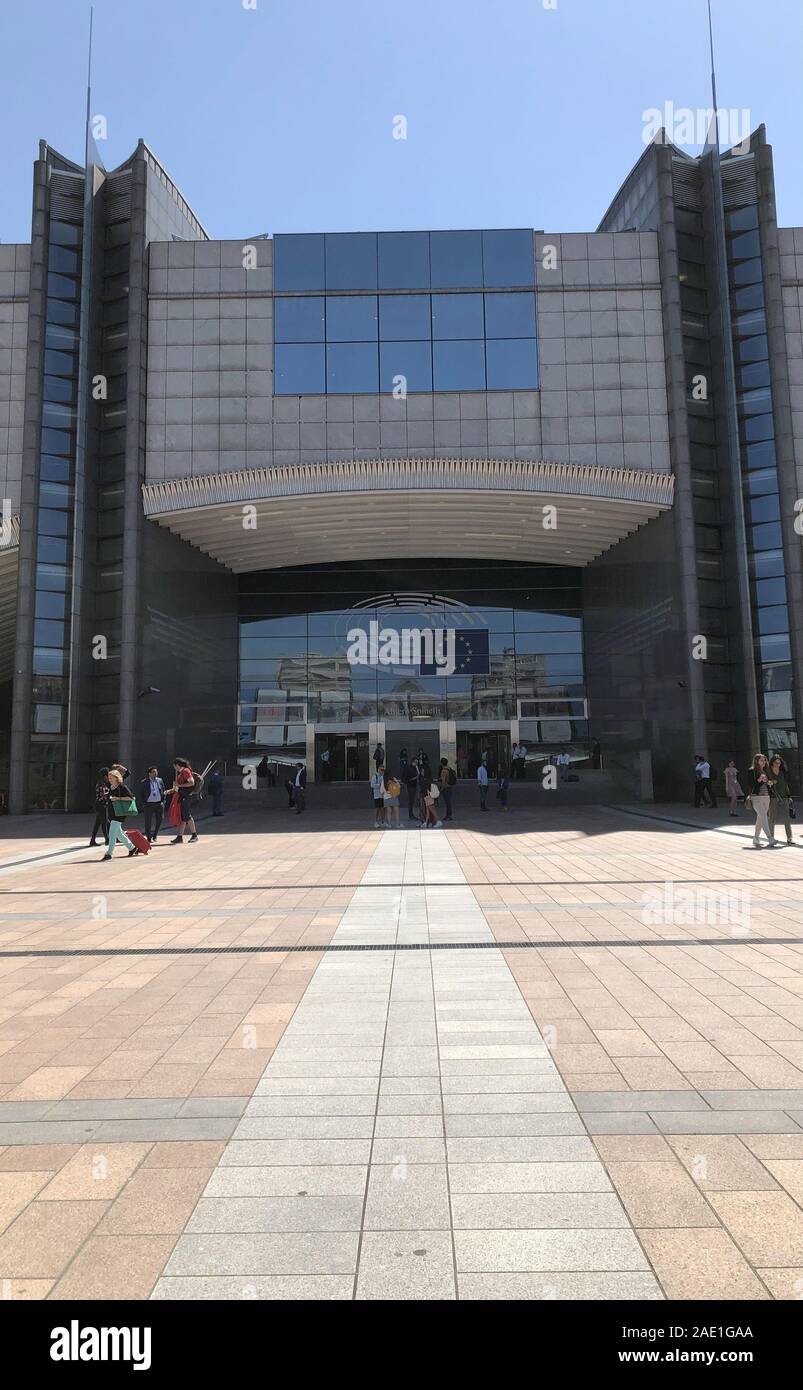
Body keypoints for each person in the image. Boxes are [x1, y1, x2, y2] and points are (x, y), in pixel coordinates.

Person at [102, 768, 138, 860]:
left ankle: (109, 853)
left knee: (112, 833)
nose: (109, 780)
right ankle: (132, 848)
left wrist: (117, 798)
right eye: (109, 778)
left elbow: (131, 798)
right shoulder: (111, 787)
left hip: (120, 813)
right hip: (112, 813)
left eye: (111, 778)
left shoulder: (122, 787)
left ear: (117, 778)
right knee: (119, 833)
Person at [748, 753, 777, 848]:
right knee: (764, 816)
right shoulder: (752, 771)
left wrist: (770, 783)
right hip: (756, 797)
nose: (764, 762)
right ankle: (770, 838)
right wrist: (759, 779)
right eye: (761, 760)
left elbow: (768, 783)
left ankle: (756, 838)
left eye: (764, 760)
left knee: (760, 818)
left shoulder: (765, 770)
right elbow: (751, 785)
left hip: (766, 797)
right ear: (756, 761)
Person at [170, 758, 199, 844]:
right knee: (183, 817)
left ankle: (194, 835)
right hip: (183, 796)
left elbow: (191, 782)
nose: (175, 768)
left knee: (186, 815)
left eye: (174, 766)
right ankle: (180, 837)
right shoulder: (183, 772)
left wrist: (179, 785)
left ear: (177, 765)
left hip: (186, 796)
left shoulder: (186, 771)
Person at [768, 755, 794, 846]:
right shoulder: (768, 771)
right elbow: (765, 782)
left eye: (779, 763)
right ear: (772, 762)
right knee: (772, 818)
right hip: (773, 797)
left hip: (784, 796)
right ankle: (771, 838)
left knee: (786, 818)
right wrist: (770, 782)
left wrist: (789, 795)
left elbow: (785, 784)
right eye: (776, 763)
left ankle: (789, 838)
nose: (777, 764)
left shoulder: (782, 771)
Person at [139, 766, 166, 843]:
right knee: (148, 821)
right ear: (149, 773)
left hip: (159, 804)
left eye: (156, 772)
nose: (155, 773)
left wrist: (163, 801)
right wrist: (143, 804)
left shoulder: (160, 780)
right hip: (148, 804)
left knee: (160, 819)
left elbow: (163, 791)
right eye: (153, 772)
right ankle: (149, 837)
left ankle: (155, 835)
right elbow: (141, 794)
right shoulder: (144, 782)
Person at [89, 767, 111, 847]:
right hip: (101, 804)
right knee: (104, 822)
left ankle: (92, 840)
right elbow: (103, 795)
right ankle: (107, 839)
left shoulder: (103, 783)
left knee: (98, 823)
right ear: (105, 776)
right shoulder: (101, 784)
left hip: (101, 804)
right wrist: (110, 796)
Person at [439, 757, 455, 822]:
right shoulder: (449, 768)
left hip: (446, 788)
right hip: (450, 786)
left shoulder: (443, 771)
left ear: (441, 763)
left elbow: (443, 781)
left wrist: (441, 789)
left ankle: (448, 816)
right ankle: (448, 815)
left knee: (447, 803)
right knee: (449, 802)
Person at [370, 763, 386, 828]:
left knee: (382, 808)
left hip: (382, 795)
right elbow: (372, 785)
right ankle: (375, 822)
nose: (382, 771)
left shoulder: (383, 776)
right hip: (377, 795)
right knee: (377, 808)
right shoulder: (375, 776)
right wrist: (379, 785)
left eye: (383, 770)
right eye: (381, 769)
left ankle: (383, 821)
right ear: (378, 769)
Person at [404, 756, 420, 821]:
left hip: (415, 785)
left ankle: (412, 814)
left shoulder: (416, 767)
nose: (417, 763)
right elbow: (406, 778)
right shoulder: (408, 768)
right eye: (416, 762)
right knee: (411, 801)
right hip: (410, 786)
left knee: (412, 800)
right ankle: (411, 815)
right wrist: (413, 778)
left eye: (417, 762)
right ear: (413, 762)